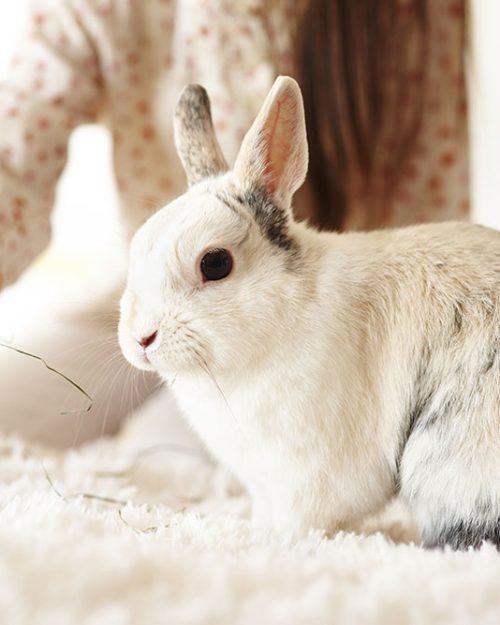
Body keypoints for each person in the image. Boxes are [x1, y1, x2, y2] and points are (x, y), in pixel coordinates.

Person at [0, 0, 468, 446]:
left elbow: (428, 215)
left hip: (314, 332)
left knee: (170, 448)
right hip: (143, 305)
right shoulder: (103, 12)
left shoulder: (410, 19)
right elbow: (14, 157)